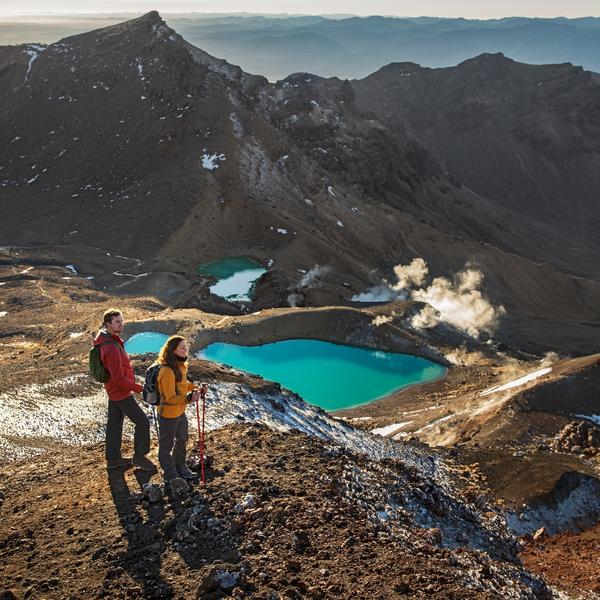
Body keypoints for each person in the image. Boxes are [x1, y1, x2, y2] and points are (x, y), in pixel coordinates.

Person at [93, 308, 156, 471]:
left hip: (114, 391)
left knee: (114, 424)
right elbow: (119, 379)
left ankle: (113, 459)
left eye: (122, 321)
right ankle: (139, 457)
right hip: (120, 392)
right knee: (142, 422)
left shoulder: (108, 341)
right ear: (108, 324)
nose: (121, 325)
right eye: (117, 322)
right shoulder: (111, 347)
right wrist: (140, 388)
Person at [156, 335, 200, 482]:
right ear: (173, 351)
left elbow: (183, 384)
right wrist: (188, 398)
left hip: (180, 411)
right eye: (182, 347)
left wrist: (196, 388)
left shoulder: (180, 366)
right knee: (166, 445)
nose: (186, 349)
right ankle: (170, 474)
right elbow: (169, 398)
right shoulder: (167, 371)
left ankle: (180, 466)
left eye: (185, 346)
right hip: (168, 414)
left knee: (182, 438)